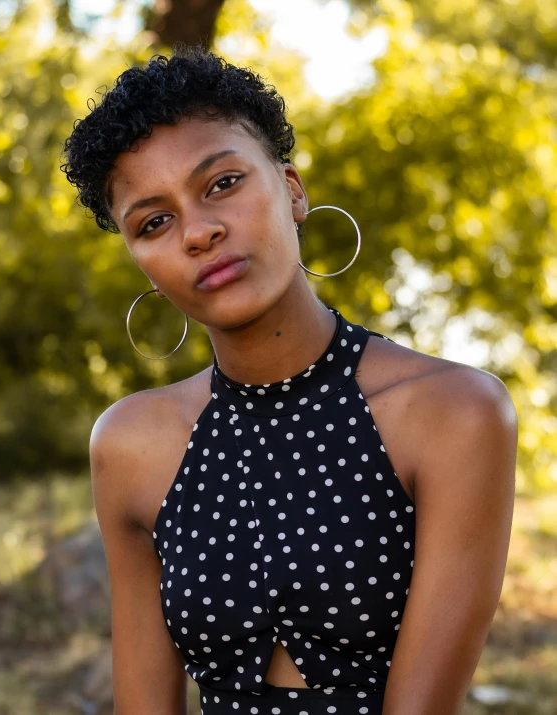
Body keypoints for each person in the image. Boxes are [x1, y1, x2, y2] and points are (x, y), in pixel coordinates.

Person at [62, 44, 518, 715]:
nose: (200, 232)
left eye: (222, 184)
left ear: (293, 190)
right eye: (155, 221)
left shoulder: (452, 413)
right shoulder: (132, 445)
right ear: (143, 264)